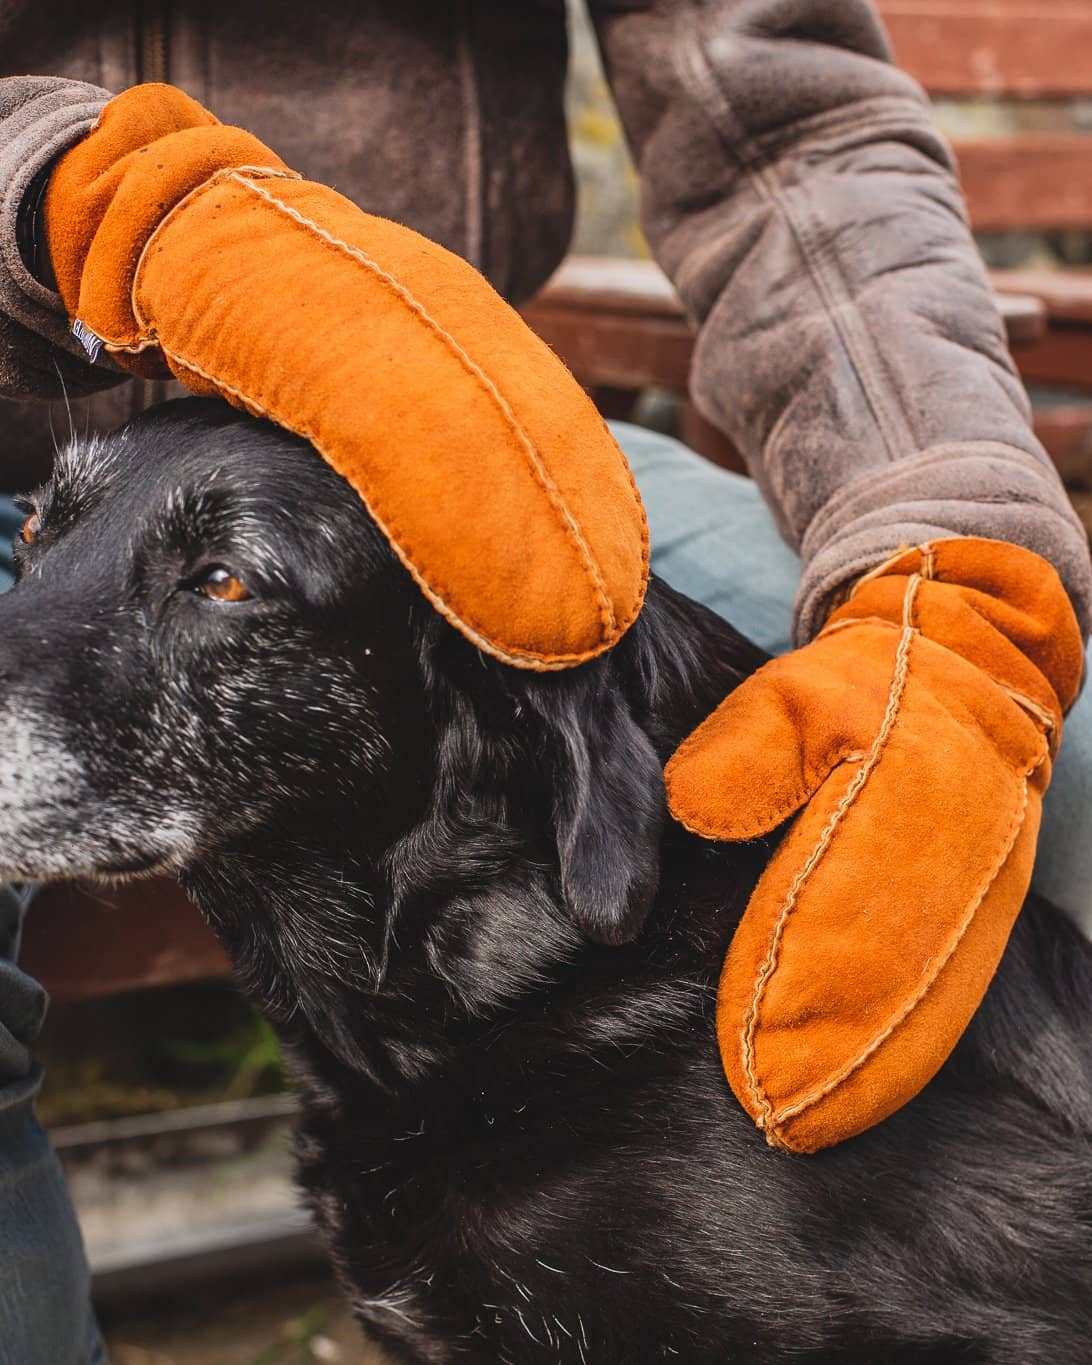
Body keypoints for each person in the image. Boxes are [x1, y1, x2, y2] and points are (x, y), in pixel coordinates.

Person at [0, 2, 1088, 1359]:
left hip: (475, 447)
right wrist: (65, 183)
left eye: (213, 582)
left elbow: (792, 136)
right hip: (32, 420)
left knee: (1061, 749)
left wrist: (953, 573)